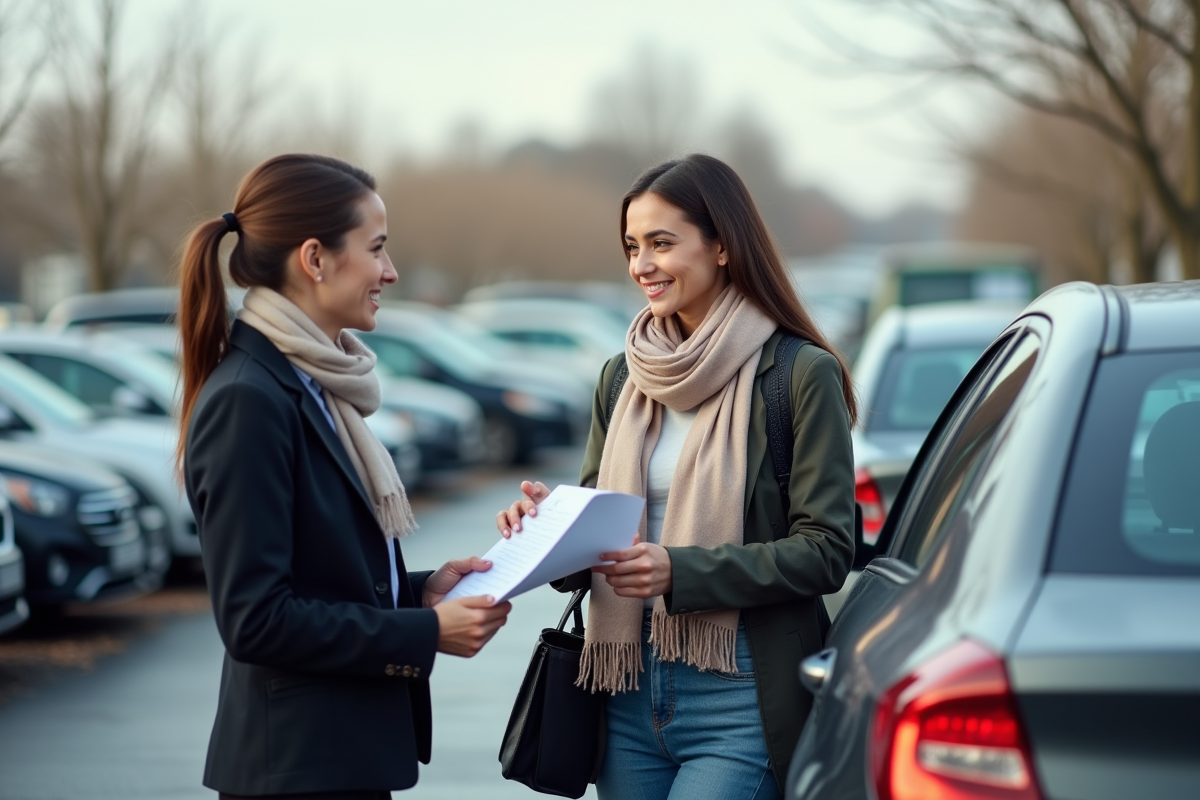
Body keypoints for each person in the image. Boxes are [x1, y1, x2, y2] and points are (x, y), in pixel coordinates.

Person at [498, 154, 856, 799]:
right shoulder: (622, 376)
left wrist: (680, 572)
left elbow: (829, 551)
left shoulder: (800, 374)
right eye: (633, 246)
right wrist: (547, 528)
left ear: (722, 246)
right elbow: (593, 548)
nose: (641, 265)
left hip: (739, 691)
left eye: (662, 243)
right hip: (623, 683)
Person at [179, 154, 511, 800]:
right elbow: (256, 620)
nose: (389, 272)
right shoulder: (251, 398)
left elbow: (321, 575)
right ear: (315, 259)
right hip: (298, 772)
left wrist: (417, 592)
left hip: (336, 762)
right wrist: (423, 633)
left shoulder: (314, 386)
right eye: (378, 249)